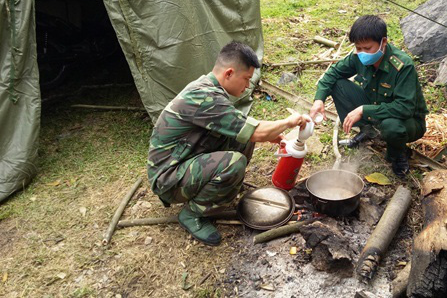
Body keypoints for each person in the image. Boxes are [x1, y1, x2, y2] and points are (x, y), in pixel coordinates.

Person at [147, 41, 310, 246]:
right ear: (229, 73)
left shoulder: (208, 87)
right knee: (234, 162)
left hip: (185, 158)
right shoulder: (204, 97)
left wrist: (267, 134)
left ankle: (220, 187)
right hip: (168, 178)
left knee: (243, 139)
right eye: (246, 79)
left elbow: (244, 129)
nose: (247, 86)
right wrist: (288, 122)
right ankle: (193, 214)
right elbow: (256, 131)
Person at [309, 15, 428, 177]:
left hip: (408, 121)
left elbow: (404, 108)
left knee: (391, 126)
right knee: (338, 84)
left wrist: (364, 110)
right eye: (358, 48)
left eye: (367, 48)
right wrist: (319, 100)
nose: (362, 53)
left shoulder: (402, 65)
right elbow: (333, 73)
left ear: (383, 42)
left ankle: (398, 154)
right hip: (376, 108)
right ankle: (368, 130)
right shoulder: (358, 58)